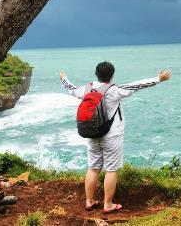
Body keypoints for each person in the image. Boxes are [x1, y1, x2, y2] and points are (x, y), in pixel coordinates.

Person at [60, 62, 171, 214]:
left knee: (93, 168)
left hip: (92, 134)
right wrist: (158, 79)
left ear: (96, 74)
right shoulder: (115, 90)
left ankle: (89, 201)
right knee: (111, 170)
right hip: (111, 136)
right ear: (112, 75)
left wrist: (64, 78)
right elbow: (137, 85)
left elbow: (71, 89)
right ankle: (108, 204)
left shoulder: (86, 90)